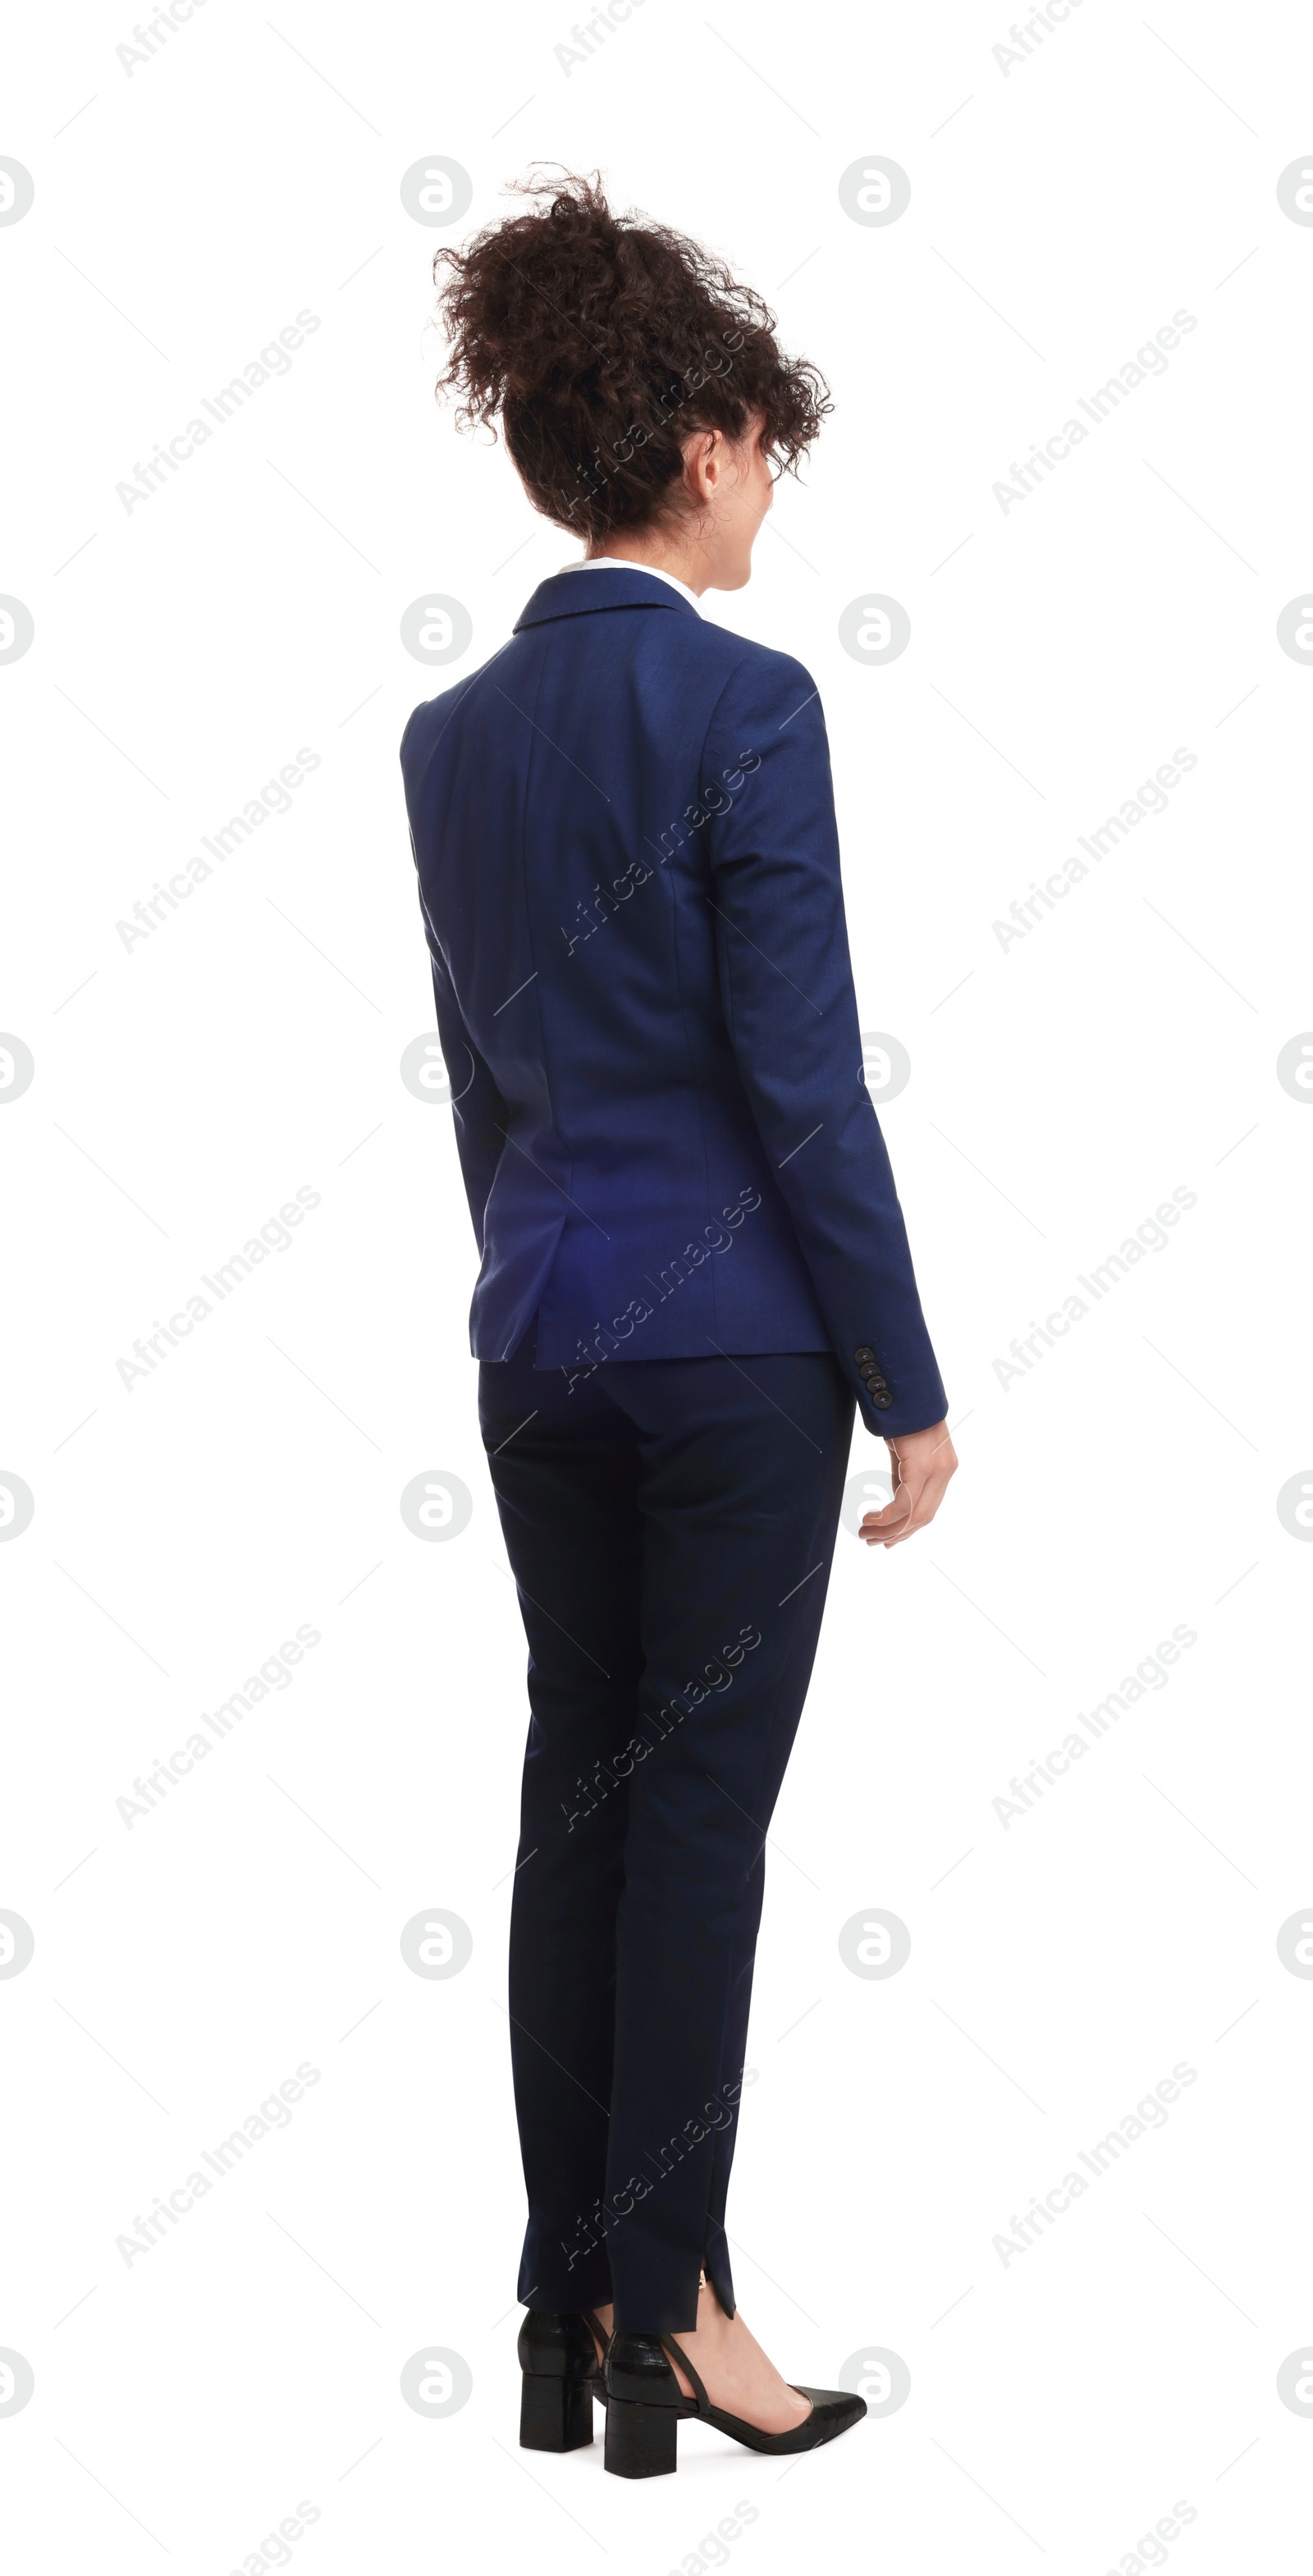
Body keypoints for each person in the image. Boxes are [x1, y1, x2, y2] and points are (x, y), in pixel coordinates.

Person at [400, 172, 956, 2478]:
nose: (762, 506)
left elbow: (484, 1073)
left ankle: (566, 2307)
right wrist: (907, 1390)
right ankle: (681, 2311)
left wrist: (537, 1283)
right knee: (694, 1829)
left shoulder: (453, 737)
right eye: (761, 462)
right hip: (733, 1355)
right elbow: (801, 1078)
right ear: (711, 443)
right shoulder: (748, 703)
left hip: (541, 1335)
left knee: (579, 1810)